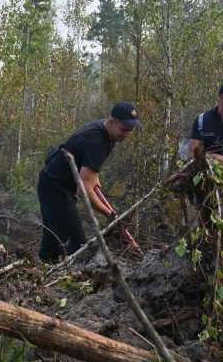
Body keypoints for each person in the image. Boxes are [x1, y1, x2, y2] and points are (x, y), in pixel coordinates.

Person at [37, 102, 143, 263]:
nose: (127, 134)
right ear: (112, 121)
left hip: (53, 183)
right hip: (55, 189)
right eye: (124, 129)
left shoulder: (109, 132)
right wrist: (111, 215)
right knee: (78, 249)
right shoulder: (96, 141)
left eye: (131, 130)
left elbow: (85, 159)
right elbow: (84, 191)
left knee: (52, 242)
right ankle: (77, 285)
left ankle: (41, 277)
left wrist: (94, 176)